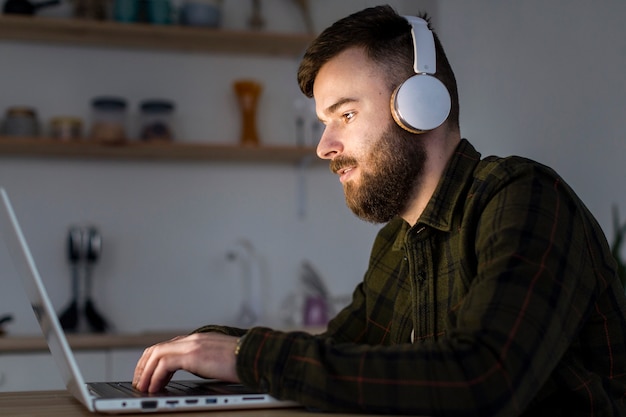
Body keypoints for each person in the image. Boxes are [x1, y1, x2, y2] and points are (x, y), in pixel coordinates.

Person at [133, 5, 626, 416]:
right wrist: (210, 346)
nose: (324, 146)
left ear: (421, 106)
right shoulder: (398, 241)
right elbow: (344, 356)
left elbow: (485, 379)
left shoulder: (523, 197)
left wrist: (247, 356)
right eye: (325, 122)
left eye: (345, 114)